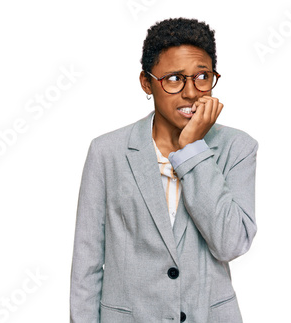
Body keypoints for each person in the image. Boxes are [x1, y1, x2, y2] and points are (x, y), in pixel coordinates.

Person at [70, 17, 258, 323]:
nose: (191, 92)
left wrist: (193, 147)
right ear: (147, 83)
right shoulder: (107, 152)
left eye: (202, 76)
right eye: (173, 79)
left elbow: (230, 243)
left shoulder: (238, 147)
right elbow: (87, 265)